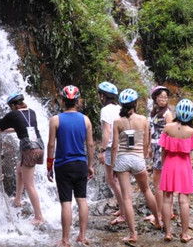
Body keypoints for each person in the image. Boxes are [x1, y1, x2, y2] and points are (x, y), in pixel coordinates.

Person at [0, 92, 46, 226]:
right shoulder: (31, 112)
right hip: (38, 147)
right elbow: (20, 128)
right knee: (20, 168)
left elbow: (0, 122)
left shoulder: (13, 114)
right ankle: (17, 200)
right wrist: (2, 131)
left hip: (29, 149)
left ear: (13, 105)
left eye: (10, 106)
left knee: (29, 184)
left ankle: (39, 216)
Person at [47, 85, 95, 247]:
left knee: (66, 202)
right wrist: (90, 165)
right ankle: (82, 236)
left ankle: (65, 240)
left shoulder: (55, 120)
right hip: (80, 164)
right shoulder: (86, 120)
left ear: (62, 101)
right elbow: (90, 144)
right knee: (82, 200)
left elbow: (51, 145)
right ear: (77, 101)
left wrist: (49, 166)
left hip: (63, 165)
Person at [111, 88, 161, 243]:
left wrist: (113, 165)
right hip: (138, 158)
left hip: (123, 159)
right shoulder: (143, 120)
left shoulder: (118, 122)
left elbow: (114, 146)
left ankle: (133, 234)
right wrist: (144, 156)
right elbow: (146, 142)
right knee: (146, 190)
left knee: (126, 197)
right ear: (135, 103)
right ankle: (159, 221)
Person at [158, 99, 193, 243]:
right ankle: (184, 234)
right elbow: (190, 151)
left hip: (169, 163)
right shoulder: (192, 132)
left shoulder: (168, 128)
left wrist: (164, 165)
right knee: (184, 201)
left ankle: (168, 233)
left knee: (167, 199)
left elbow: (163, 150)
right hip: (184, 166)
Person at [97, 82, 124, 226]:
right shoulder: (120, 108)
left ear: (103, 96)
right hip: (122, 146)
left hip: (111, 148)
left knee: (111, 180)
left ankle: (124, 212)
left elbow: (106, 131)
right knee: (118, 179)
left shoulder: (105, 110)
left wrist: (102, 150)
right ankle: (123, 208)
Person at [148, 85, 174, 227]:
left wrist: (165, 151)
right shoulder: (155, 112)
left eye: (165, 97)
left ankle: (159, 213)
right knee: (160, 181)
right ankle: (167, 211)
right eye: (160, 97)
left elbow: (169, 133)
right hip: (155, 148)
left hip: (162, 149)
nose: (163, 99)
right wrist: (149, 148)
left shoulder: (167, 114)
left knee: (158, 182)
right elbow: (151, 131)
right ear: (155, 98)